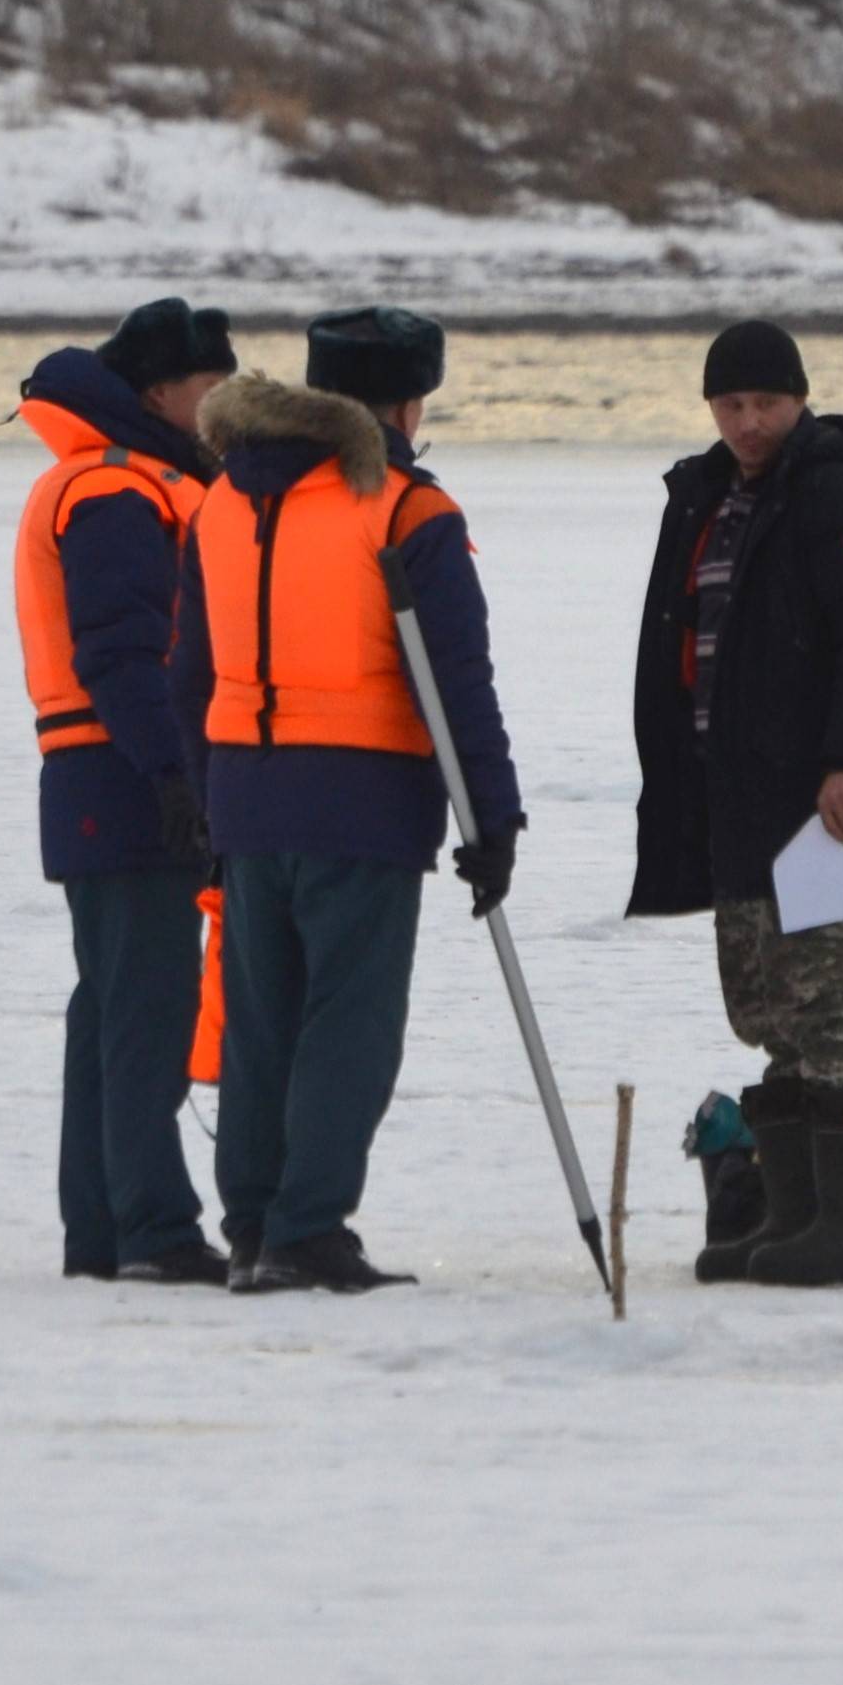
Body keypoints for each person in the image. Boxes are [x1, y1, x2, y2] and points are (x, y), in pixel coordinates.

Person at [167, 306, 526, 1296]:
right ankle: (307, 1226)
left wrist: (207, 802)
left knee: (260, 1022)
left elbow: (187, 671)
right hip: (360, 799)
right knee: (347, 1025)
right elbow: (456, 679)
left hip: (244, 796)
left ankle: (250, 1224)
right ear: (406, 402)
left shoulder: (223, 501)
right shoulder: (403, 506)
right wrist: (492, 819)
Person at [625, 318, 843, 1286]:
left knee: (822, 997)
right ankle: (792, 1214)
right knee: (761, 1006)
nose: (748, 423)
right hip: (731, 792)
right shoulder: (705, 495)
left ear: (800, 400)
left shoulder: (834, 488)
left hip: (824, 797)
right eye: (731, 404)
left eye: (766, 404)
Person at [12, 296, 235, 1285]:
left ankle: (101, 1231)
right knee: (144, 1000)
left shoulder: (139, 481)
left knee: (111, 1003)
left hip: (97, 771)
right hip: (121, 768)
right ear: (159, 393)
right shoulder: (115, 490)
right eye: (211, 387)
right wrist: (174, 775)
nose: (226, 404)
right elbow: (121, 652)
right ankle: (152, 1227)